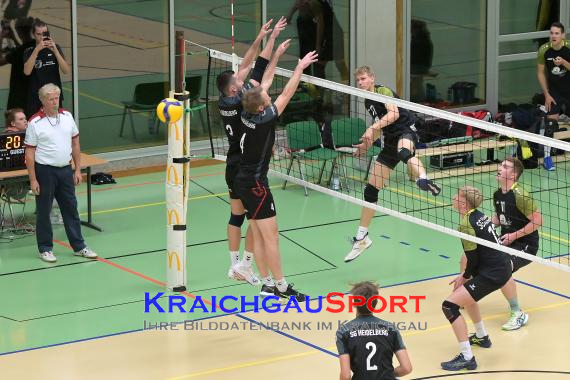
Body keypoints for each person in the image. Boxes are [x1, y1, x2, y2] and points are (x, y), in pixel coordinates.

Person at [237, 49, 318, 301]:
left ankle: (267, 283)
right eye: (265, 97)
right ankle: (282, 286)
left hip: (243, 181)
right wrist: (299, 68)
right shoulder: (264, 119)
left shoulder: (246, 112)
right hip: (256, 185)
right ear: (262, 106)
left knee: (259, 233)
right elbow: (286, 93)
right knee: (271, 237)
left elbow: (267, 85)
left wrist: (276, 55)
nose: (269, 94)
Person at [345, 66, 441, 262]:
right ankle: (362, 237)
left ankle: (423, 179)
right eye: (358, 80)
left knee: (405, 152)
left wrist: (371, 128)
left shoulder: (382, 91)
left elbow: (394, 114)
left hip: (406, 130)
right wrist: (368, 142)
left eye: (363, 79)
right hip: (389, 140)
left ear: (372, 78)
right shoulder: (367, 101)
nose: (360, 83)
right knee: (370, 190)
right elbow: (381, 125)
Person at [217, 17, 287, 285]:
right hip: (244, 163)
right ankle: (243, 265)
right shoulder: (243, 104)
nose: (241, 74)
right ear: (235, 88)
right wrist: (272, 48)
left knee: (239, 215)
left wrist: (265, 38)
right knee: (255, 218)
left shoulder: (231, 97)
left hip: (233, 164)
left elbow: (252, 64)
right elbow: (258, 73)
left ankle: (236, 264)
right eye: (237, 78)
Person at [441, 186, 512, 371]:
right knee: (467, 297)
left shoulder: (466, 224)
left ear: (464, 203)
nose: (454, 197)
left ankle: (466, 357)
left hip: (492, 272)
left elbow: (472, 259)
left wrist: (463, 277)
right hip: (500, 267)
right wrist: (464, 277)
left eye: (457, 196)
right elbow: (474, 258)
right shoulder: (480, 215)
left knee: (449, 306)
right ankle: (481, 337)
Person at [24, 83, 97, 263]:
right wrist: (33, 179)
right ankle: (45, 248)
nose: (55, 102)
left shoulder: (67, 117)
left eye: (57, 98)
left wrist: (77, 169)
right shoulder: (34, 122)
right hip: (45, 171)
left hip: (65, 170)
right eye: (51, 99)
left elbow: (75, 144)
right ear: (43, 101)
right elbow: (30, 154)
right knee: (44, 211)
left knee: (70, 208)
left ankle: (79, 246)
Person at [492, 157, 542, 330]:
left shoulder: (520, 194)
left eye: (505, 166)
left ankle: (517, 313)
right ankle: (463, 295)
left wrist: (513, 236)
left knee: (502, 267)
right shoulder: (498, 194)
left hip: (525, 245)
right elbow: (500, 218)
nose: (499, 168)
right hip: (506, 242)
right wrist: (482, 226)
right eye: (500, 165)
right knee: (469, 256)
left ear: (513, 175)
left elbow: (537, 221)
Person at [336, 281, 412, 380]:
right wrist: (387, 374)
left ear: (354, 303)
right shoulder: (390, 328)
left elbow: (346, 376)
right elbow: (406, 368)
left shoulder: (344, 332)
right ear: (375, 303)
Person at [286, 0, 348, 81]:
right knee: (311, 63)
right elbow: (295, 8)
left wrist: (318, 46)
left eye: (301, 5)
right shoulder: (302, 5)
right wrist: (290, 15)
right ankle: (312, 88)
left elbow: (320, 23)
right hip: (321, 33)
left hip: (332, 34)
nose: (299, 6)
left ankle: (346, 84)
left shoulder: (314, 4)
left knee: (332, 63)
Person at [536, 21, 570, 170]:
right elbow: (540, 73)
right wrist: (547, 94)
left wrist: (563, 62)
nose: (553, 36)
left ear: (563, 35)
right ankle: (547, 158)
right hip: (554, 92)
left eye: (557, 33)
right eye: (552, 33)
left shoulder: (569, 47)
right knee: (550, 123)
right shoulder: (544, 50)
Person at [23, 18, 69, 117]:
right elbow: (27, 71)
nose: (42, 37)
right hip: (36, 98)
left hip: (54, 97)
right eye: (39, 34)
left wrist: (55, 51)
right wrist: (37, 50)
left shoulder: (55, 48)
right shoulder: (29, 51)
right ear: (34, 35)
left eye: (44, 33)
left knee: (55, 124)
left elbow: (66, 70)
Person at [0, 16, 33, 111]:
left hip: (18, 98)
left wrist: (1, 37)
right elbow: (24, 49)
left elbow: (0, 61)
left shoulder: (18, 52)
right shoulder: (35, 47)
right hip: (33, 96)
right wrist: (14, 38)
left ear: (18, 31)